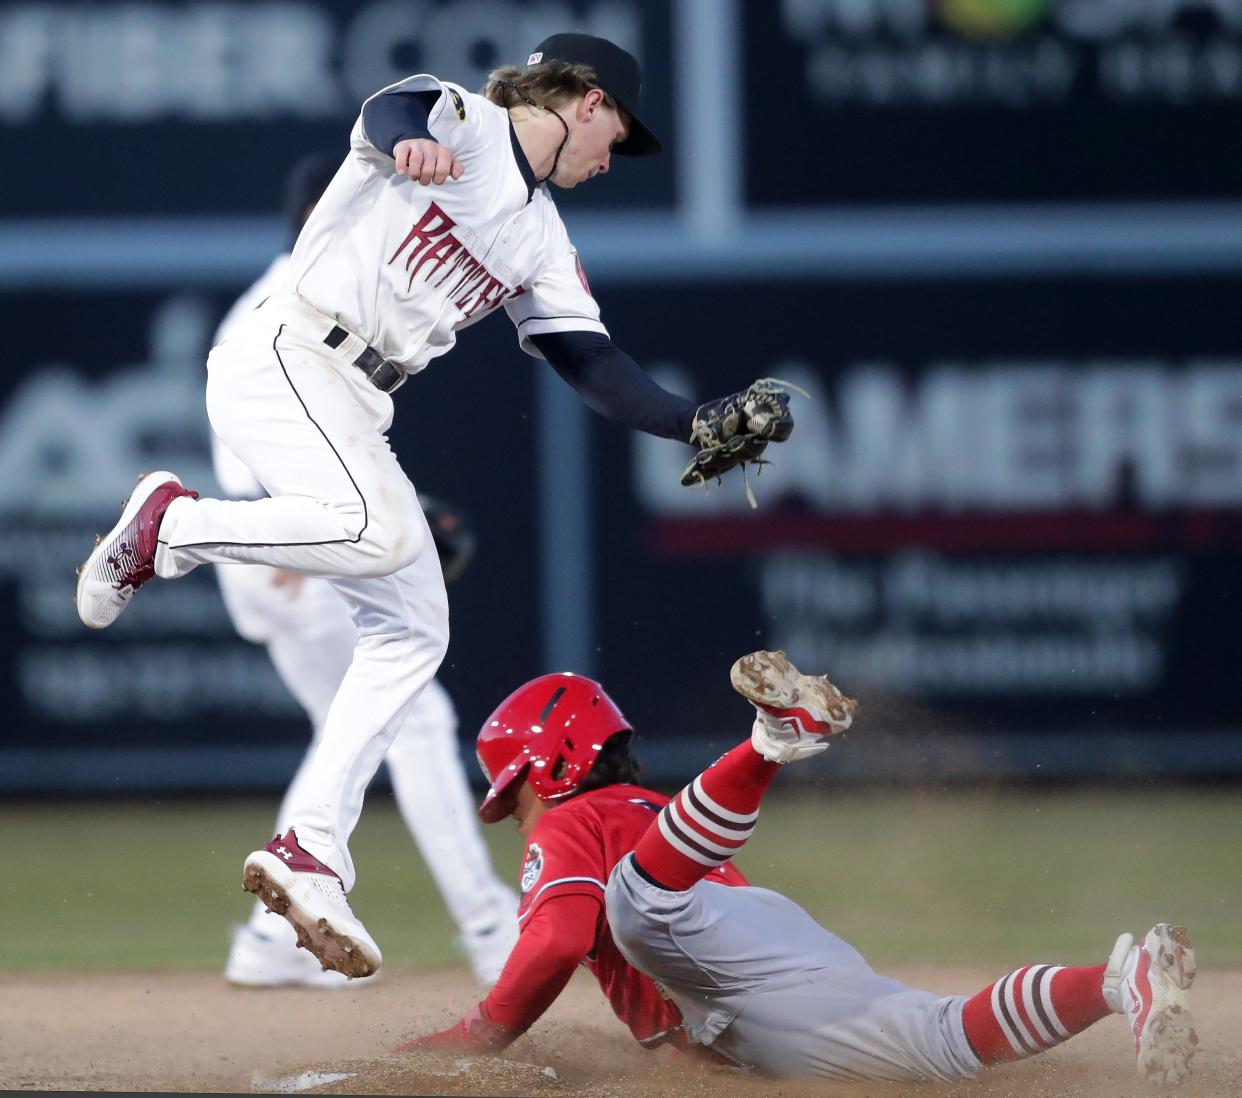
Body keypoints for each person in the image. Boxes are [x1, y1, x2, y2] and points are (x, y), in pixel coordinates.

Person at [73, 33, 794, 979]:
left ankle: (311, 851)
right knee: (377, 531)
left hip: (354, 396)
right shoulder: (468, 121)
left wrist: (693, 421)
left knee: (414, 630)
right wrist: (411, 139)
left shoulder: (541, 240)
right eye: (617, 127)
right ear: (582, 98)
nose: (613, 153)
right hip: (288, 351)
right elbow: (389, 111)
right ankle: (172, 525)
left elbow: (592, 363)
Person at [399, 651, 1199, 1086]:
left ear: (551, 767)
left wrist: (478, 1037)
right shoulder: (649, 808)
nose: (518, 819)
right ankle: (1118, 980)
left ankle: (770, 742)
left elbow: (556, 941)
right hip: (761, 959)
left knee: (635, 909)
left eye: (516, 797)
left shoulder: (573, 818)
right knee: (943, 1045)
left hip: (699, 928)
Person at [214, 155, 518, 989]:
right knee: (413, 717)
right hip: (290, 551)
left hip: (286, 547)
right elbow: (260, 445)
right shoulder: (291, 297)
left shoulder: (315, 288)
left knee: (353, 727)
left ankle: (270, 941)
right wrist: (301, 549)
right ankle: (492, 926)